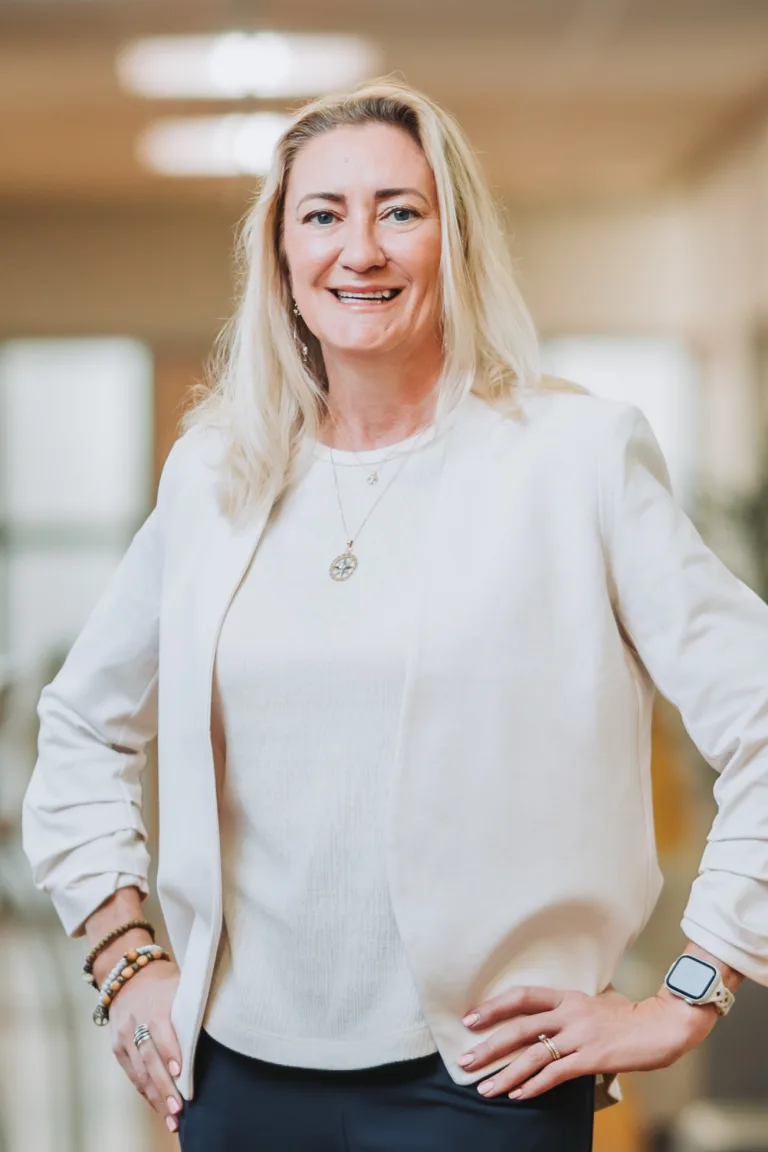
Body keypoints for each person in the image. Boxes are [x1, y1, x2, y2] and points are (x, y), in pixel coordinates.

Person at [21, 79, 768, 1152]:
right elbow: (82, 726)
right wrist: (126, 956)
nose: (358, 250)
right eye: (322, 215)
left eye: (399, 211)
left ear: (453, 240)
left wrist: (691, 988)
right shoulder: (213, 478)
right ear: (280, 259)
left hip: (482, 1085)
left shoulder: (575, 459)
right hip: (235, 1085)